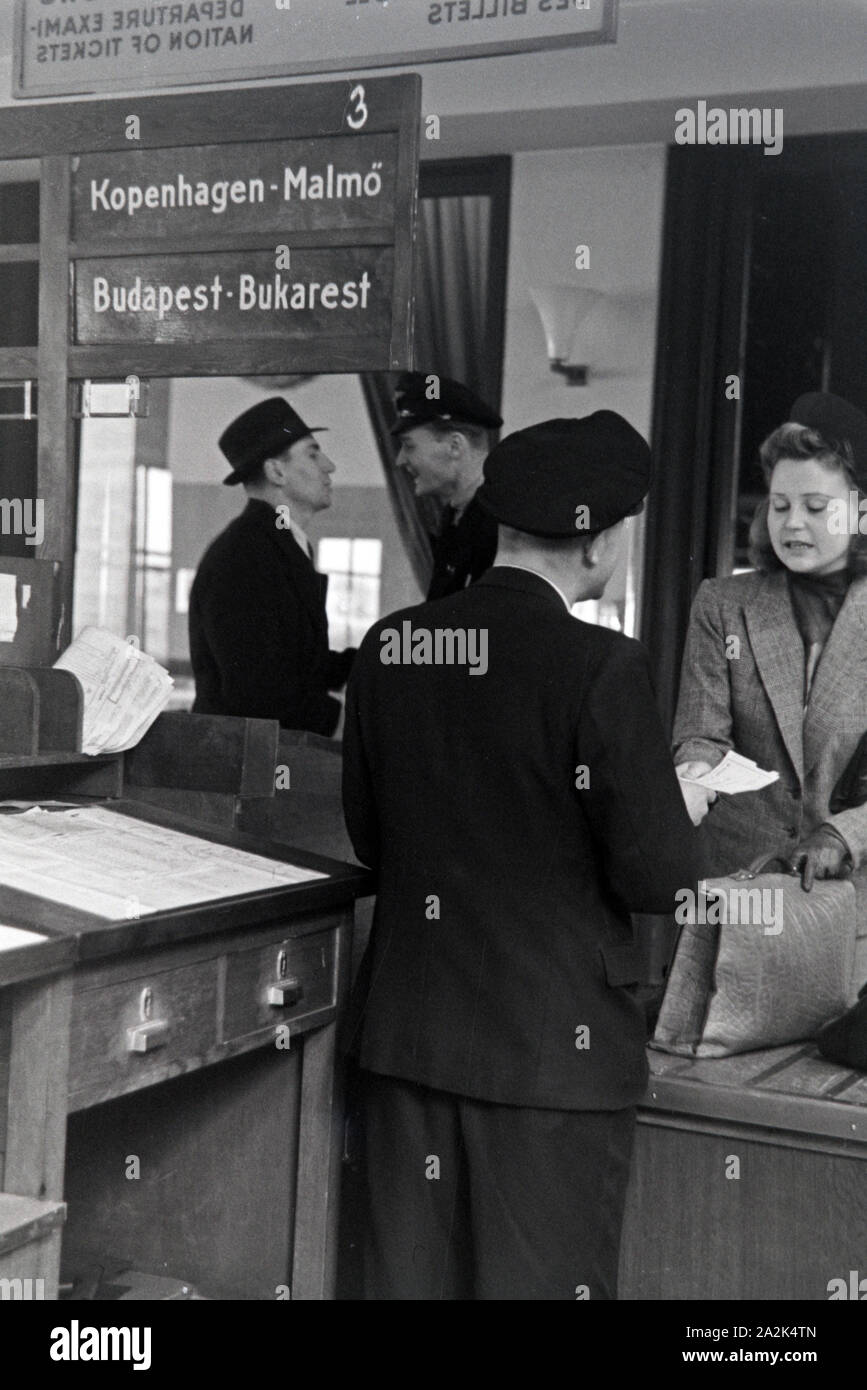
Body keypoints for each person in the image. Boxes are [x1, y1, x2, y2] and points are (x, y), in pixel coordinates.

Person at [342, 412, 700, 1300]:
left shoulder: (393, 647)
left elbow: (373, 842)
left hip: (407, 1049)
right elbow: (658, 878)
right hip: (551, 1062)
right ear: (598, 541)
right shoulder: (601, 668)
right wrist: (678, 802)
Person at [673, 392, 867, 987]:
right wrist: (689, 787)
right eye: (779, 505)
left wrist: (843, 832)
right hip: (738, 897)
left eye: (815, 506)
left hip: (852, 909)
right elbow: (701, 736)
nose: (792, 523)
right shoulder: (723, 604)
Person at [188, 397, 355, 737]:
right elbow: (259, 693)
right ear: (276, 471)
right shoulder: (243, 556)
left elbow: (301, 665)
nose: (330, 466)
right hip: (243, 766)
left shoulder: (280, 543)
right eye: (313, 453)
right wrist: (348, 723)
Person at [391, 371, 503, 599]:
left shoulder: (502, 526)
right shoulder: (455, 517)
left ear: (454, 446)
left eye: (409, 446)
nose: (400, 460)